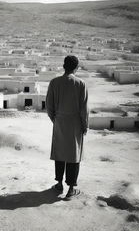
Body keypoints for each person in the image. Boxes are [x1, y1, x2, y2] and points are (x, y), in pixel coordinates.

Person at [46, 55, 89, 200]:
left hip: (59, 122)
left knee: (59, 152)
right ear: (76, 67)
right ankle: (71, 189)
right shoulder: (81, 84)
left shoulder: (54, 82)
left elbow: (49, 106)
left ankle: (59, 184)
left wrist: (55, 120)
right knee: (73, 155)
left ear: (64, 66)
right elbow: (84, 109)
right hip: (75, 124)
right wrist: (85, 125)